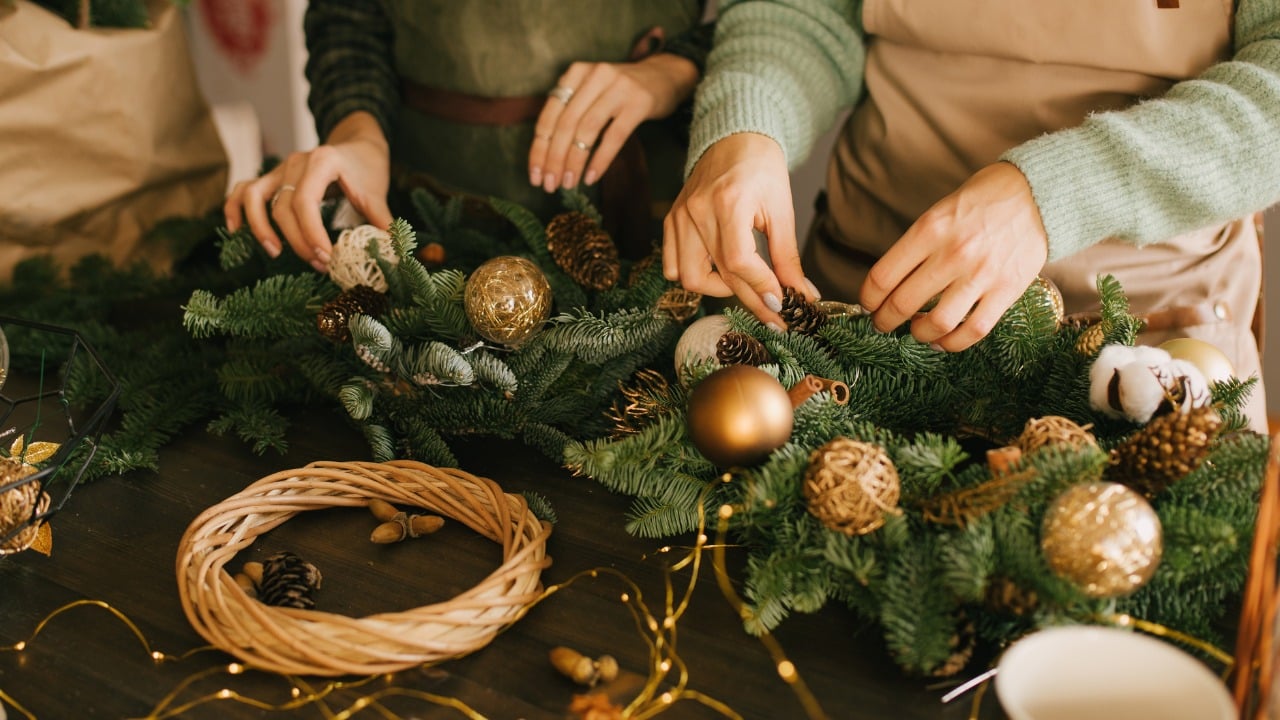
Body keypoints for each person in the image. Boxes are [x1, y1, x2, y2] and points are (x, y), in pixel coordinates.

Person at [662, 0, 1280, 431]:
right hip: (853, 317)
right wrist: (748, 126)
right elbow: (799, 12)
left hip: (1147, 346)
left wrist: (1053, 194)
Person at [224, 0, 712, 272]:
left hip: (651, 222)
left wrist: (675, 68)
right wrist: (358, 133)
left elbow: (769, 18)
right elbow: (347, 17)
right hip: (425, 228)